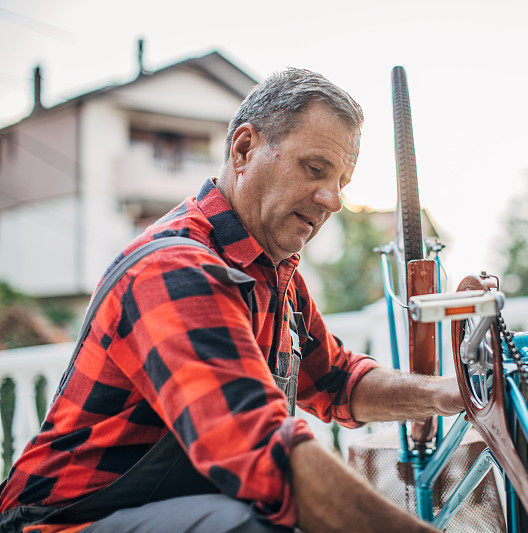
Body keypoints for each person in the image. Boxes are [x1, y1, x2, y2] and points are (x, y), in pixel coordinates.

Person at [0, 68, 463, 532]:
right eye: (315, 169)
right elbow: (265, 456)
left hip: (157, 510)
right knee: (245, 525)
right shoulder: (175, 269)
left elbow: (339, 381)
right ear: (243, 150)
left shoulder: (275, 270)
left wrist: (454, 393)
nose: (333, 199)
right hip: (62, 524)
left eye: (342, 180)